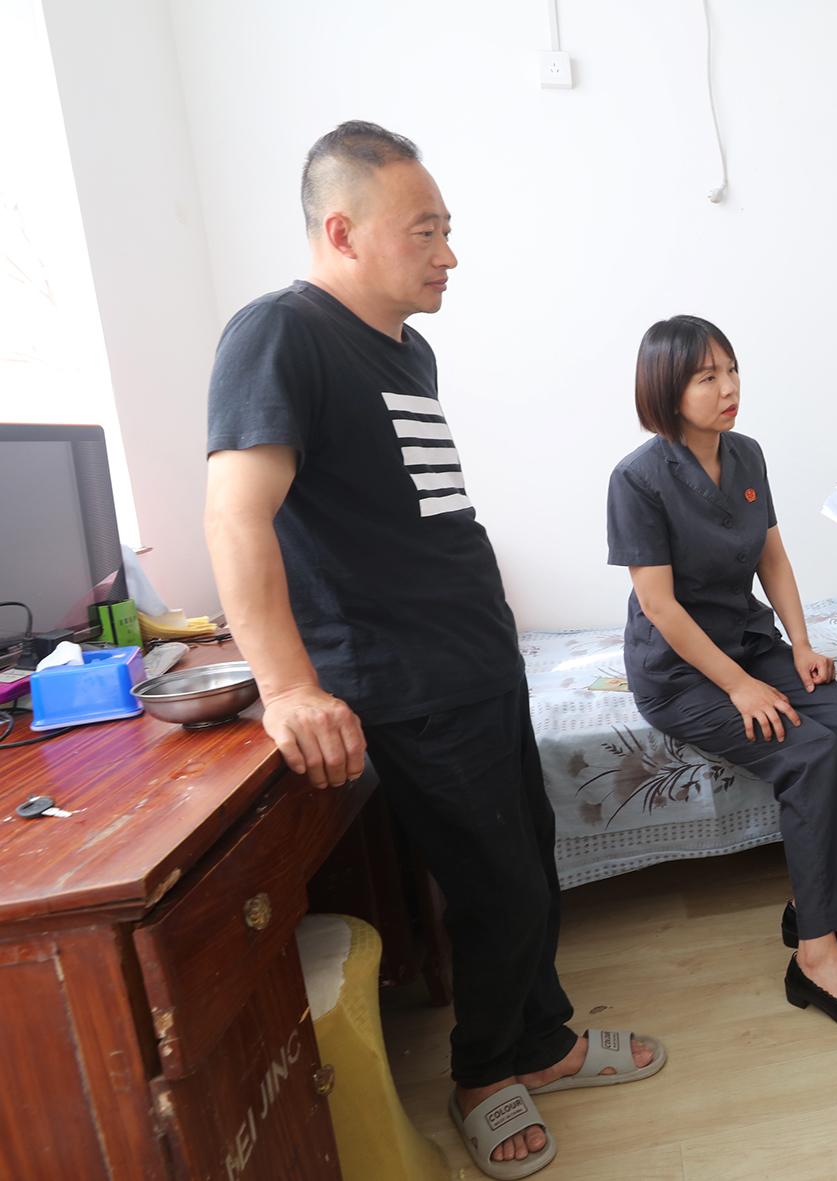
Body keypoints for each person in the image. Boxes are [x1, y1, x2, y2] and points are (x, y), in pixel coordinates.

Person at [205, 121, 661, 1178]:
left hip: (476, 656)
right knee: (495, 886)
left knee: (529, 861)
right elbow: (235, 516)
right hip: (404, 675)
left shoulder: (408, 349)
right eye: (425, 231)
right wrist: (287, 687)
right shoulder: (279, 333)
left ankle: (541, 1040)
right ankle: (483, 1075)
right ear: (342, 231)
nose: (448, 254)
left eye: (447, 230)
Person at [606, 315, 837, 1032]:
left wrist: (799, 643)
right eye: (706, 377)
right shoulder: (637, 479)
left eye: (731, 370)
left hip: (748, 641)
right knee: (809, 753)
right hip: (681, 671)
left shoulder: (745, 455)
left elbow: (772, 554)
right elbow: (660, 605)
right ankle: (816, 959)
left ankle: (823, 902)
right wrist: (739, 687)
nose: (728, 388)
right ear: (666, 389)